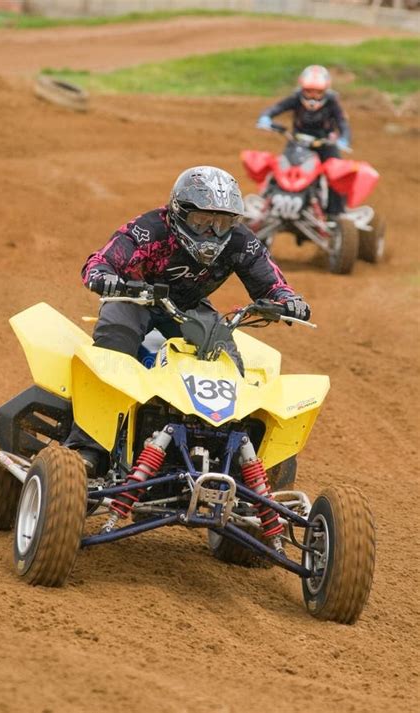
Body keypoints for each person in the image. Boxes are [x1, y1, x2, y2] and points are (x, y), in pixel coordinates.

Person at [65, 165, 311, 473]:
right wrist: (102, 276)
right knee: (115, 344)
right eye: (201, 221)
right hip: (134, 298)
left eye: (221, 223)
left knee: (226, 358)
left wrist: (287, 300)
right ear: (179, 213)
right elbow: (101, 261)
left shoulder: (239, 241)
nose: (211, 232)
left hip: (188, 307)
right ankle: (88, 446)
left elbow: (270, 281)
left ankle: (235, 458)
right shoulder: (150, 229)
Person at [256, 65, 351, 217]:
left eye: (318, 92)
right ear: (302, 88)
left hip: (324, 144)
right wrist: (265, 117)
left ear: (325, 90)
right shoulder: (295, 98)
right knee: (280, 167)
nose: (313, 95)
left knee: (336, 174)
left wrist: (344, 138)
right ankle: (266, 201)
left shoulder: (332, 102)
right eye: (309, 90)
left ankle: (336, 213)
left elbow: (342, 123)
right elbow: (276, 108)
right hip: (297, 142)